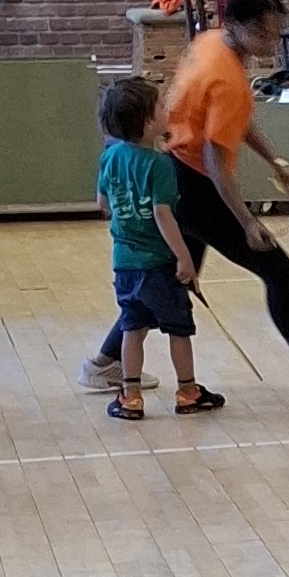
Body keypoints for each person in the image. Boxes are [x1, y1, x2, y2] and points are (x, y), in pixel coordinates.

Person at [84, 0, 289, 406]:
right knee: (276, 269)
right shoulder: (228, 82)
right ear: (240, 27)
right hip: (193, 186)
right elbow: (216, 162)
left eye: (275, 30)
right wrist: (247, 222)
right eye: (265, 32)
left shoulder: (209, 44)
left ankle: (105, 363)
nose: (273, 41)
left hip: (173, 170)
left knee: (167, 277)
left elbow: (232, 121)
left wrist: (274, 161)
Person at [94, 75, 224, 424]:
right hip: (158, 266)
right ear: (148, 122)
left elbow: (102, 202)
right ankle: (187, 392)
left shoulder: (110, 158)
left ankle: (131, 397)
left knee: (132, 328)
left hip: (124, 265)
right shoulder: (160, 165)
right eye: (161, 107)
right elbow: (163, 214)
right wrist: (184, 257)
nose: (167, 110)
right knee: (178, 329)